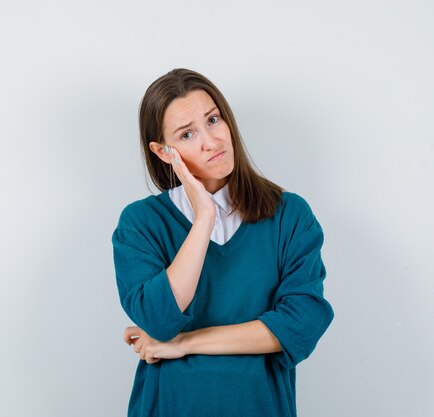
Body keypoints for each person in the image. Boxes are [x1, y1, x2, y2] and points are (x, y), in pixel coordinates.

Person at [111, 68, 335, 417]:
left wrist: (184, 343)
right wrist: (204, 219)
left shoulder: (289, 215)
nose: (211, 141)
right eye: (187, 134)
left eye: (213, 120)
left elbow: (300, 325)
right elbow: (158, 320)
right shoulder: (141, 223)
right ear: (163, 151)